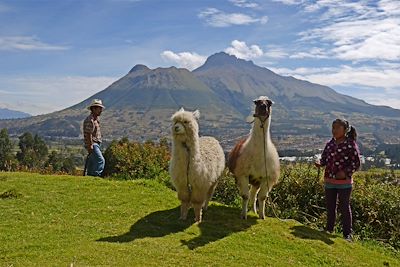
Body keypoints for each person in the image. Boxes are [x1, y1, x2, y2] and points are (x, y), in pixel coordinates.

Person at [315, 118, 360, 241]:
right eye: (333, 128)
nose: (334, 131)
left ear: (345, 130)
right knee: (330, 207)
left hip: (344, 183)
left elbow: (356, 164)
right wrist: (320, 163)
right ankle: (329, 229)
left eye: (337, 128)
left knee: (344, 207)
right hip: (329, 181)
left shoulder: (350, 144)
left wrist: (345, 172)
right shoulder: (330, 144)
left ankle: (347, 234)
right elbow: (324, 159)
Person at [83, 99, 105, 177]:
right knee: (100, 160)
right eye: (99, 108)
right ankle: (96, 176)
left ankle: (90, 177)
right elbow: (89, 134)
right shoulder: (90, 120)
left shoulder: (96, 120)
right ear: (94, 109)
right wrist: (90, 145)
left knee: (92, 162)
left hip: (95, 144)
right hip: (93, 144)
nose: (101, 110)